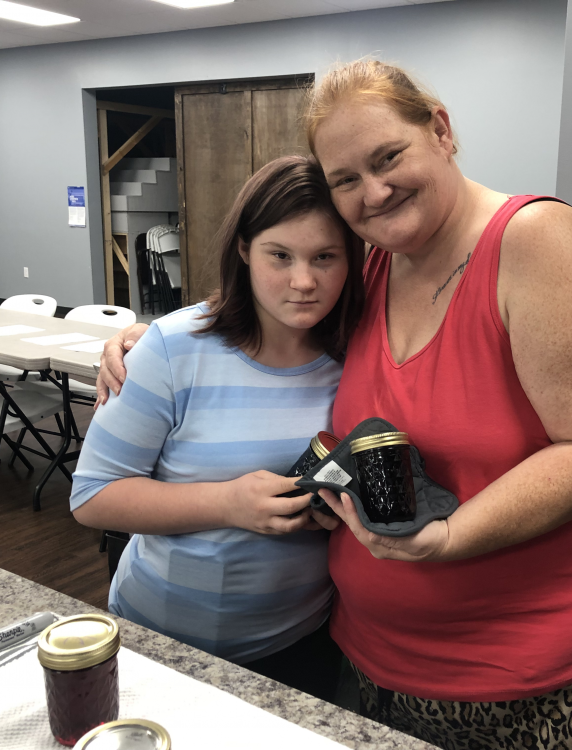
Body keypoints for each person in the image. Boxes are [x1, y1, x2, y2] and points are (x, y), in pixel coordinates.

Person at [97, 61, 572, 750]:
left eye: (388, 157)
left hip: (528, 674)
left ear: (442, 131)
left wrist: (450, 539)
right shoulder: (373, 268)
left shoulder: (534, 242)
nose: (375, 190)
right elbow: (277, 305)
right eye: (346, 180)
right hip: (366, 659)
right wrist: (151, 338)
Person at [72, 155, 364, 703]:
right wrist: (227, 504)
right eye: (281, 255)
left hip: (301, 643)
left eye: (326, 257)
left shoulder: (359, 355)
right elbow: (92, 496)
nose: (304, 281)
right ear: (245, 249)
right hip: (158, 640)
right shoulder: (171, 348)